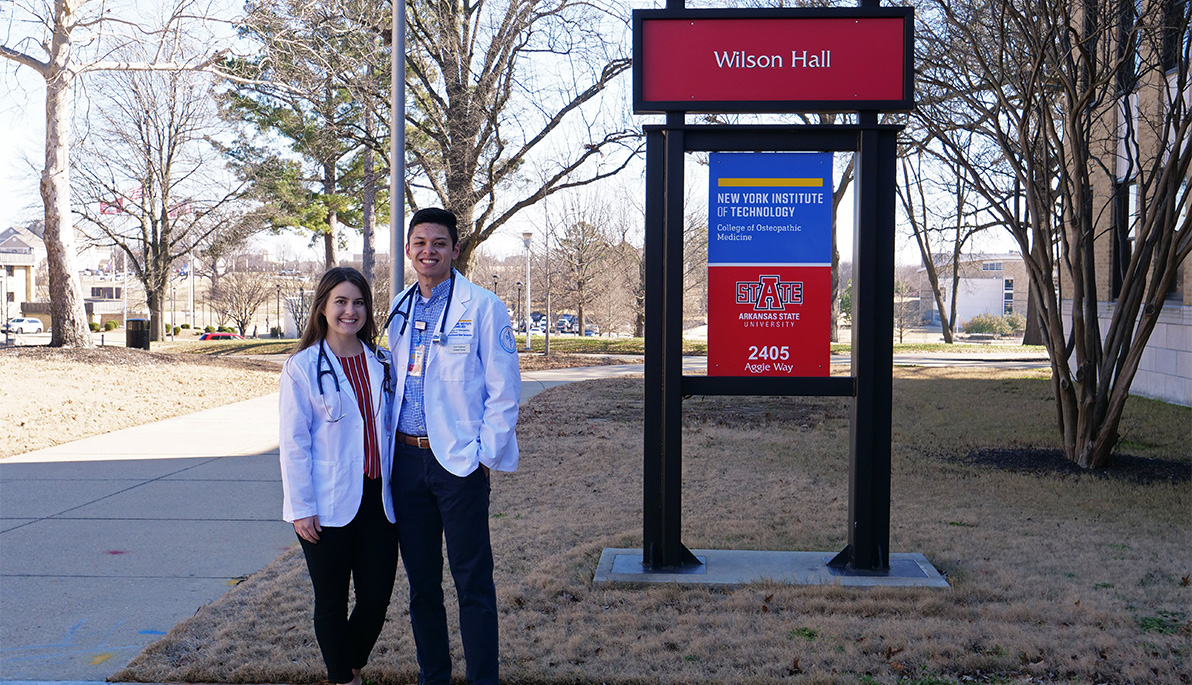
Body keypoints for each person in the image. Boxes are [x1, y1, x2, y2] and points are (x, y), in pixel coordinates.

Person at [385, 207, 521, 685]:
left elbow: (504, 392)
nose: (429, 251)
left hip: (458, 464)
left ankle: (483, 679)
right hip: (406, 461)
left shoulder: (483, 306)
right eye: (420, 242)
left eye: (439, 243)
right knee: (422, 586)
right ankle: (433, 676)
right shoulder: (398, 309)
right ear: (408, 250)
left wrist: (484, 456)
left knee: (472, 582)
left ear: (455, 249)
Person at [279, 266, 399, 685]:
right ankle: (344, 679)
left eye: (359, 302)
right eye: (342, 302)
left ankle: (346, 665)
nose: (351, 311)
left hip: (378, 499)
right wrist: (301, 508)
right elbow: (295, 444)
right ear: (324, 308)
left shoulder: (380, 362)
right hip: (325, 502)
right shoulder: (302, 367)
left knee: (375, 600)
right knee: (330, 601)